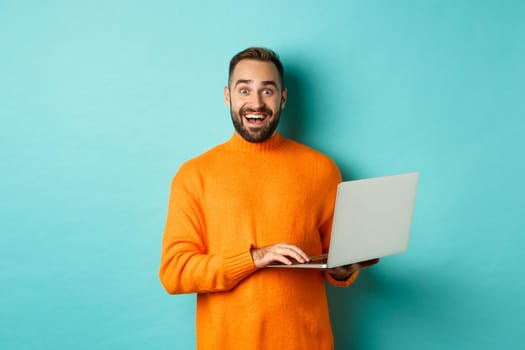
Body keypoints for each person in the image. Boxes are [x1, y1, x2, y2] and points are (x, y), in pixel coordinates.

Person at [159, 47, 378, 350]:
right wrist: (254, 259)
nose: (256, 102)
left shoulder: (322, 170)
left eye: (268, 90)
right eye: (244, 89)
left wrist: (345, 268)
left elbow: (334, 262)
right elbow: (175, 272)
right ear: (228, 97)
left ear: (283, 99)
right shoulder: (194, 175)